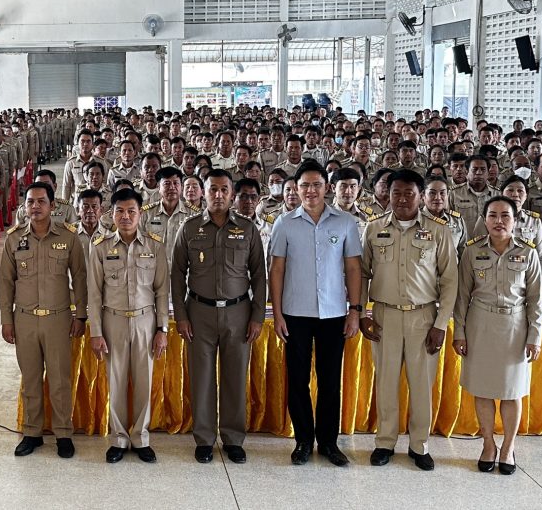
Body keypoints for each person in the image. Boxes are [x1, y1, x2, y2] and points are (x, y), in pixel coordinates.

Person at [360, 170, 457, 471]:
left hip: (423, 317)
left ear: (421, 196)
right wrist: (362, 312)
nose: (402, 199)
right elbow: (362, 273)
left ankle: (419, 445)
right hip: (384, 315)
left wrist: (440, 324)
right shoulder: (374, 228)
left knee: (421, 384)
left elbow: (450, 280)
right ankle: (385, 442)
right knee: (386, 382)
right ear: (387, 194)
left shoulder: (438, 230)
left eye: (409, 193)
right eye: (396, 193)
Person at [171, 169, 267, 465]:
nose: (218, 195)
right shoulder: (189, 228)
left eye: (224, 189)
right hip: (199, 313)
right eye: (212, 189)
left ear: (232, 194)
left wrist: (257, 316)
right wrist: (181, 315)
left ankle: (233, 438)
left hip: (238, 313)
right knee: (201, 378)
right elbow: (177, 273)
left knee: (235, 377)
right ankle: (204, 438)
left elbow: (259, 275)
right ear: (203, 192)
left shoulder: (247, 229)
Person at [269, 163, 361, 467]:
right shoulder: (284, 223)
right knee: (298, 380)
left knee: (330, 380)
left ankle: (329, 443)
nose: (310, 191)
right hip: (295, 313)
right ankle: (303, 441)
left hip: (334, 313)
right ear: (296, 188)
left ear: (327, 187)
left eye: (316, 184)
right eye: (304, 185)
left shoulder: (345, 223)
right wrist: (278, 314)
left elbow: (353, 268)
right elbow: (277, 269)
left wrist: (355, 310)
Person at [453, 196, 542, 475]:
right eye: (492, 215)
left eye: (505, 216)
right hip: (480, 325)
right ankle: (488, 444)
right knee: (482, 389)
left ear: (515, 220)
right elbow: (462, 296)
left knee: (512, 391)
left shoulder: (528, 252)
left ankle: (508, 447)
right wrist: (459, 332)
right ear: (484, 219)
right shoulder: (472, 251)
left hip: (515, 326)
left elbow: (535, 300)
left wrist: (535, 336)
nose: (499, 221)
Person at [0, 183, 87, 459]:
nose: (35, 206)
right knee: (30, 379)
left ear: (52, 205)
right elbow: (6, 282)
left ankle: (63, 433)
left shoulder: (68, 237)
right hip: (25, 319)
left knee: (60, 380)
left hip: (58, 319)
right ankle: (32, 432)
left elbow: (80, 277)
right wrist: (6, 320)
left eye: (41, 201)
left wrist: (80, 314)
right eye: (30, 202)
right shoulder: (14, 238)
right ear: (24, 206)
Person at [87, 188, 168, 463]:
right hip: (114, 320)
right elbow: (94, 294)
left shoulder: (155, 246)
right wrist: (96, 332)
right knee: (117, 380)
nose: (125, 216)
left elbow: (162, 291)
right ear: (111, 214)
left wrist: (162, 329)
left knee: (144, 382)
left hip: (146, 320)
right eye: (120, 211)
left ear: (140, 214)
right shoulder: (100, 246)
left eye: (131, 211)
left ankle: (141, 438)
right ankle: (119, 439)